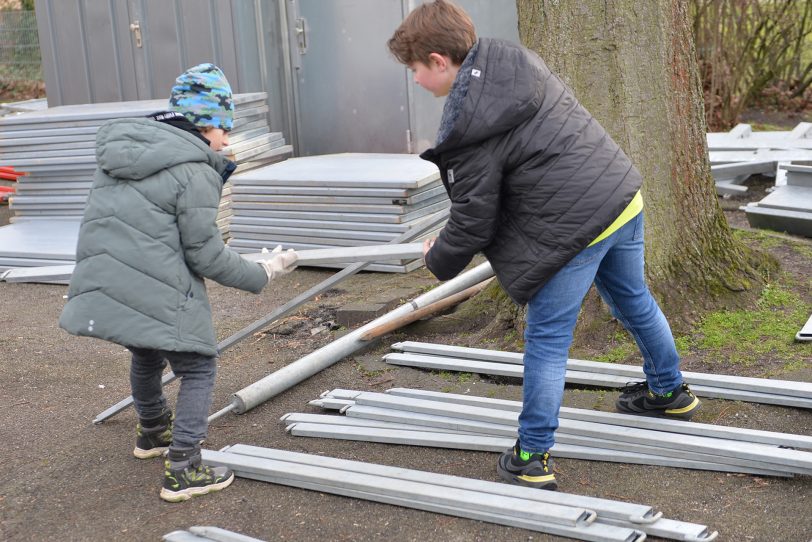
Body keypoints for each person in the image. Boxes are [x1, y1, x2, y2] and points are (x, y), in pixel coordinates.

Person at [388, 1, 700, 491]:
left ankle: (531, 455)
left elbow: (472, 221)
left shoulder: (467, 123)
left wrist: (437, 257)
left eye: (414, 70)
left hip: (572, 226)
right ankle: (670, 391)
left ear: (439, 60)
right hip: (620, 195)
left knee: (549, 338)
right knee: (634, 299)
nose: (414, 81)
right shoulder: (513, 62)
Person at [59, 63, 297, 502]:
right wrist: (262, 271)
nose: (228, 140)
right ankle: (184, 467)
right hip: (155, 281)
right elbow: (204, 254)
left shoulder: (124, 154)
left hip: (111, 280)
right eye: (227, 129)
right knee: (198, 366)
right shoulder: (196, 168)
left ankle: (152, 433)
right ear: (208, 124)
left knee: (146, 350)